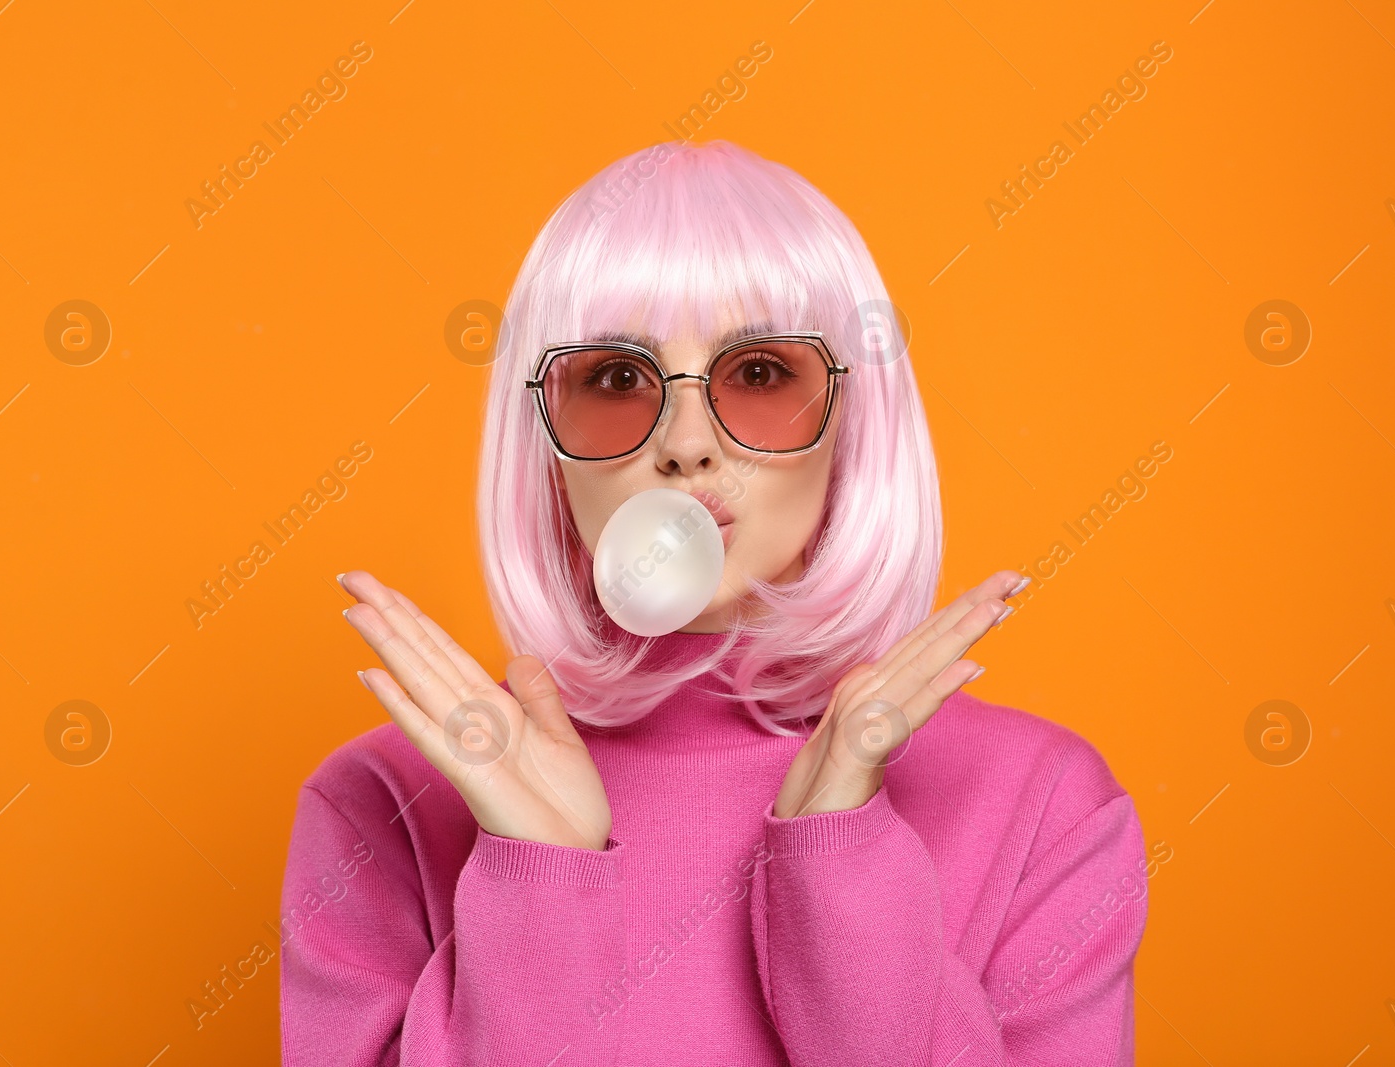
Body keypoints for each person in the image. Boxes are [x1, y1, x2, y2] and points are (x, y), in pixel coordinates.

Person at [279, 139, 1147, 1066]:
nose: (687, 444)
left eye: (761, 373)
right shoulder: (379, 805)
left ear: (856, 419)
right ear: (541, 440)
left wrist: (839, 861)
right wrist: (540, 883)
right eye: (616, 380)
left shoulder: (1043, 803)